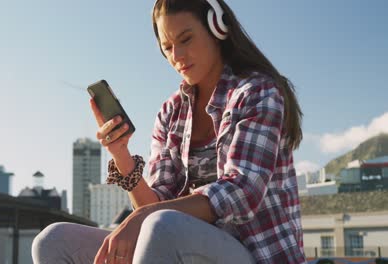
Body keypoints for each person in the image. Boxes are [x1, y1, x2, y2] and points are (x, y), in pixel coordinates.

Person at [32, 0, 307, 263]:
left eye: (186, 39)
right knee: (53, 240)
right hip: (180, 246)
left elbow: (242, 191)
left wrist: (147, 216)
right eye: (167, 47)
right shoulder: (170, 112)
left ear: (217, 29)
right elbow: (157, 201)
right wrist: (121, 154)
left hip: (257, 254)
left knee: (161, 223)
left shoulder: (257, 92)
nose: (177, 56)